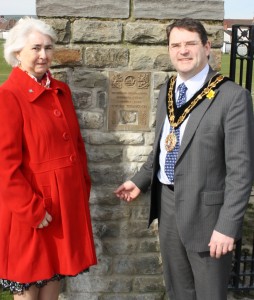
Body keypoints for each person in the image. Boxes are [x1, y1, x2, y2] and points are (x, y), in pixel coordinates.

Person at [114, 18, 254, 300]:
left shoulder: (233, 97)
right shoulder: (168, 89)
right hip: (168, 206)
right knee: (178, 291)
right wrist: (141, 180)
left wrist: (227, 227)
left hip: (208, 216)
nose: (183, 51)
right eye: (175, 45)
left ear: (207, 47)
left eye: (190, 44)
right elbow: (163, 148)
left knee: (209, 295)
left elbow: (242, 171)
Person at [0, 17, 97, 300]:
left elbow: (77, 146)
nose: (44, 55)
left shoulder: (60, 90)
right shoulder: (8, 96)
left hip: (62, 207)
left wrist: (81, 187)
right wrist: (32, 209)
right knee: (29, 289)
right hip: (31, 211)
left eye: (49, 47)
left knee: (54, 280)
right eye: (36, 48)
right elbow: (5, 167)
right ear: (18, 52)